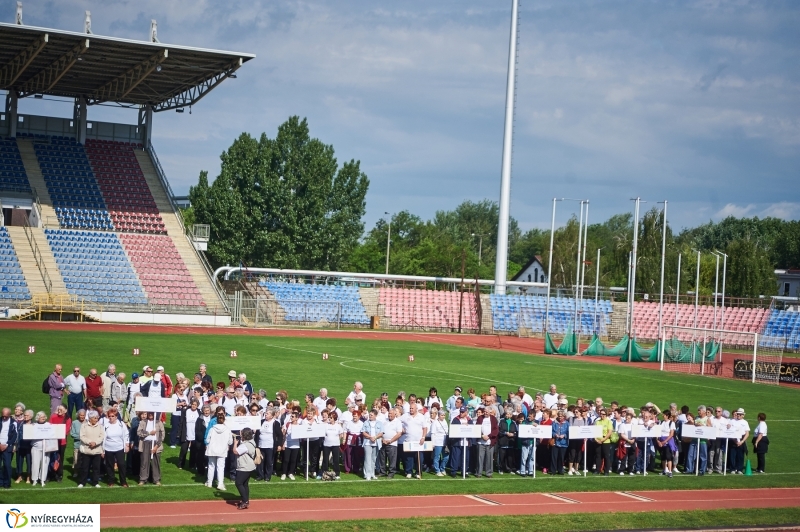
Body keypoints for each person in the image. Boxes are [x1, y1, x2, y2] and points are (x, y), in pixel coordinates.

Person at [77, 410, 105, 488]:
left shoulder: (100, 426)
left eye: (97, 418)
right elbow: (82, 436)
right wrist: (90, 442)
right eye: (95, 418)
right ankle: (82, 482)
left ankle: (95, 482)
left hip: (97, 451)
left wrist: (95, 443)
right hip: (86, 450)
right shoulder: (84, 426)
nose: (96, 419)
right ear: (90, 418)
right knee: (85, 468)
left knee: (96, 468)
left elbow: (102, 436)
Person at [102, 408, 129, 487]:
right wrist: (102, 450)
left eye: (113, 416)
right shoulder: (106, 426)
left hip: (119, 447)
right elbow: (103, 438)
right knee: (109, 465)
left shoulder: (121, 424)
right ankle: (111, 481)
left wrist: (127, 444)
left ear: (116, 416)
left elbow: (126, 434)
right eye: (109, 416)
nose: (111, 418)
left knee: (121, 464)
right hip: (108, 448)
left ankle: (123, 482)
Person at [137, 411, 164, 486]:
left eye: (152, 413)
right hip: (145, 443)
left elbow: (162, 435)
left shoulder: (159, 422)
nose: (151, 414)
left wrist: (156, 446)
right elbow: (139, 432)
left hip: (156, 444)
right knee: (144, 462)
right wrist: (149, 433)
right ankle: (143, 479)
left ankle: (156, 479)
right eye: (149, 413)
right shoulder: (143, 422)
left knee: (156, 462)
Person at [400, 401, 427, 479]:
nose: (411, 410)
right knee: (409, 458)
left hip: (419, 442)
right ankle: (409, 472)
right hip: (408, 440)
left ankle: (418, 472)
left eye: (412, 408)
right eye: (410, 408)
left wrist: (423, 437)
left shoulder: (421, 417)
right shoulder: (405, 416)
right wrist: (401, 428)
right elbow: (398, 421)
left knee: (419, 458)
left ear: (416, 409)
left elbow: (425, 428)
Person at [30, 411, 56, 487]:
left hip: (46, 448)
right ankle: (34, 479)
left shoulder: (49, 425)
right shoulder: (34, 425)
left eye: (44, 416)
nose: (43, 418)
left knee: (45, 464)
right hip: (36, 447)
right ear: (38, 418)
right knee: (35, 463)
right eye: (41, 417)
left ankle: (42, 480)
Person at [232, 427, 257, 509]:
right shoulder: (251, 442)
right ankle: (245, 500)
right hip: (250, 466)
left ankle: (245, 501)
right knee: (245, 484)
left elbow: (235, 451)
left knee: (238, 483)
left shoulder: (245, 445)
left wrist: (235, 443)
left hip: (244, 466)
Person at [48, 404, 70, 482]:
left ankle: (59, 475)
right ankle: (50, 475)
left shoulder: (67, 419)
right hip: (53, 440)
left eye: (61, 409)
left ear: (65, 410)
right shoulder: (53, 416)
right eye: (59, 409)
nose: (59, 410)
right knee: (51, 458)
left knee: (60, 458)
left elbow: (66, 431)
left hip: (62, 442)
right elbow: (49, 427)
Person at [377, 407, 401, 478]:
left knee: (392, 459)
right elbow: (380, 431)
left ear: (395, 414)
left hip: (392, 443)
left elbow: (399, 433)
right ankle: (383, 472)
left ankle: (391, 473)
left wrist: (391, 440)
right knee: (382, 458)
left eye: (391, 413)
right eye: (389, 413)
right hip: (383, 442)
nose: (389, 415)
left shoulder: (398, 422)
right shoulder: (384, 421)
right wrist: (382, 439)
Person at [450, 406, 472, 478]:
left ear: (466, 412)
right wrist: (461, 426)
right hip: (457, 442)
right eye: (460, 412)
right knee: (455, 457)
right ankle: (453, 471)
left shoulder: (469, 420)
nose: (461, 413)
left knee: (465, 458)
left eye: (463, 412)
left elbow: (472, 430)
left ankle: (464, 471)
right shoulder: (455, 419)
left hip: (466, 442)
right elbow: (453, 430)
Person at [178, 399, 201, 470]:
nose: (193, 406)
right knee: (183, 450)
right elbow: (181, 422)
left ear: (197, 406)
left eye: (195, 405)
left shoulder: (199, 413)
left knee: (193, 451)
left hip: (195, 434)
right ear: (191, 404)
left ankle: (192, 465)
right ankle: (181, 464)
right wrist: (179, 433)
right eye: (193, 404)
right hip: (186, 433)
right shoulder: (185, 411)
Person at [361, 409, 383, 480]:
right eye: (369, 415)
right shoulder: (366, 423)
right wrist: (370, 437)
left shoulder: (379, 423)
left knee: (373, 459)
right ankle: (367, 474)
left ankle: (372, 473)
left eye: (371, 415)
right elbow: (363, 432)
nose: (370, 416)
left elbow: (381, 433)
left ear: (375, 416)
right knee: (367, 459)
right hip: (367, 443)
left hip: (376, 443)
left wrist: (375, 437)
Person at [321, 411, 344, 479]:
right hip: (326, 445)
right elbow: (323, 434)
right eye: (329, 417)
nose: (329, 419)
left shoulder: (338, 426)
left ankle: (337, 473)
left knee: (336, 459)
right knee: (325, 459)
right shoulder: (326, 425)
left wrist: (336, 439)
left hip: (335, 445)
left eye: (331, 417)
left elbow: (341, 435)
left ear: (334, 418)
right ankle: (324, 472)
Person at [475, 406, 496, 478]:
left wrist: (489, 436)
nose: (485, 413)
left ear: (490, 412)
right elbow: (477, 428)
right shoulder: (480, 418)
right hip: (481, 441)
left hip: (490, 441)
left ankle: (489, 473)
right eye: (484, 411)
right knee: (480, 458)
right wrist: (482, 435)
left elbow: (496, 430)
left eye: (487, 412)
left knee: (489, 458)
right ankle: (478, 473)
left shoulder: (493, 419)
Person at [281, 411, 301, 480]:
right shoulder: (288, 424)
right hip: (287, 444)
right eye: (291, 416)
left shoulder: (299, 426)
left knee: (293, 460)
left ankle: (291, 473)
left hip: (296, 445)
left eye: (293, 417)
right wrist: (283, 444)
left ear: (296, 418)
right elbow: (284, 435)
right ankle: (284, 473)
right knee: (286, 460)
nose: (291, 418)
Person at [498, 407, 518, 474]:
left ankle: (510, 469)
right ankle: (501, 469)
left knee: (510, 457)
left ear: (511, 415)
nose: (507, 415)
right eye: (506, 414)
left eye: (509, 414)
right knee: (502, 457)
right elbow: (499, 431)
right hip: (503, 441)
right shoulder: (501, 421)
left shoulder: (513, 422)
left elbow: (516, 432)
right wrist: (505, 433)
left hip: (510, 442)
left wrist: (513, 434)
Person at [14, 410, 33, 484]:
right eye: (24, 415)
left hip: (29, 446)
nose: (25, 417)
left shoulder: (34, 425)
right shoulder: (21, 424)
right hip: (20, 446)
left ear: (31, 416)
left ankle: (28, 477)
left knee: (29, 462)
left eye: (27, 415)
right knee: (19, 462)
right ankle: (19, 476)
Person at [730, 408, 750, 474]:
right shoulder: (732, 421)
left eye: (740, 414)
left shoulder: (745, 422)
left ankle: (739, 469)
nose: (738, 415)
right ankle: (733, 468)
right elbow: (729, 431)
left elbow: (747, 433)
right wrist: (735, 441)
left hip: (741, 440)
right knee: (732, 455)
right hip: (733, 439)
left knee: (740, 456)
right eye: (738, 414)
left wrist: (742, 441)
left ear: (743, 415)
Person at [430, 409, 449, 476]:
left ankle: (442, 468)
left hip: (445, 442)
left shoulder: (445, 421)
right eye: (442, 415)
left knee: (446, 457)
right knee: (437, 457)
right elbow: (433, 433)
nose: (443, 416)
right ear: (438, 415)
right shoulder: (435, 423)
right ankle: (437, 470)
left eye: (444, 415)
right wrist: (433, 443)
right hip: (438, 442)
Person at [617, 410, 635, 475]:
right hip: (625, 443)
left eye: (629, 418)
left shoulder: (633, 425)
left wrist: (633, 440)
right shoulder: (622, 425)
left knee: (631, 458)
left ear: (631, 419)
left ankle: (630, 470)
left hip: (632, 443)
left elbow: (636, 434)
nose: (627, 419)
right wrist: (628, 440)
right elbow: (621, 434)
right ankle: (622, 470)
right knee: (623, 457)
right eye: (626, 418)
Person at [551, 410, 569, 475]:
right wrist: (555, 434)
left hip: (563, 443)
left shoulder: (567, 423)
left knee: (561, 458)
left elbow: (568, 432)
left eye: (561, 416)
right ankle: (553, 470)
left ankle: (560, 470)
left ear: (563, 416)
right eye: (559, 416)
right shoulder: (554, 423)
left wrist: (564, 435)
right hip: (555, 442)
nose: (560, 417)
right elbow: (551, 431)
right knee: (554, 457)